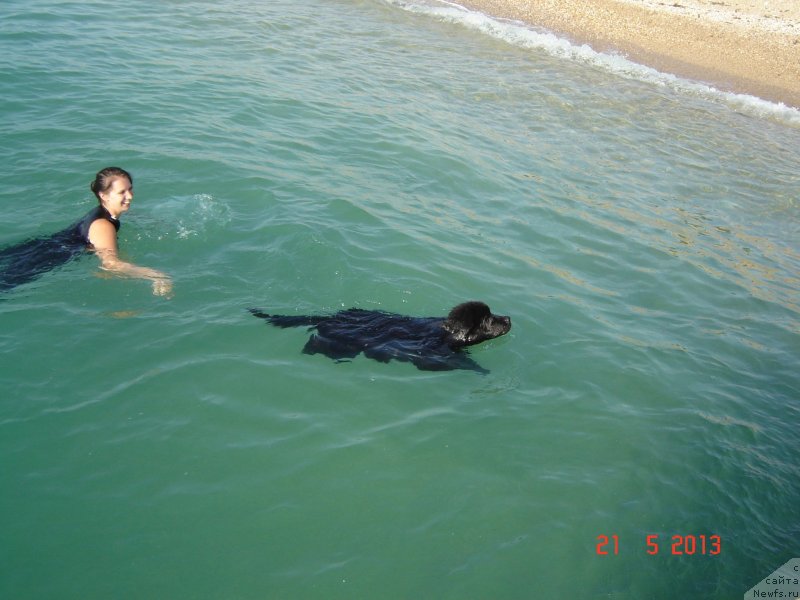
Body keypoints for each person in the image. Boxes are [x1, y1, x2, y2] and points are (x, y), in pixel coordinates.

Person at [0, 167, 172, 296]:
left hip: (41, 245)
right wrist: (155, 275)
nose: (131, 196)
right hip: (44, 258)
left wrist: (147, 219)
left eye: (130, 189)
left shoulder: (104, 212)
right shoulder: (103, 225)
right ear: (104, 196)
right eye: (122, 192)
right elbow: (110, 265)